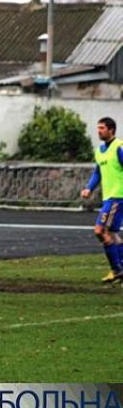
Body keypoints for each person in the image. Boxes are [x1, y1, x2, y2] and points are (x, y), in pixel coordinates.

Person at [81, 117, 123, 283]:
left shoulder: (119, 147)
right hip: (109, 198)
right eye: (98, 128)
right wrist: (89, 188)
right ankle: (120, 269)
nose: (99, 131)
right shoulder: (99, 151)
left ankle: (117, 270)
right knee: (112, 234)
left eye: (102, 128)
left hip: (117, 196)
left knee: (100, 230)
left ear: (111, 130)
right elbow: (98, 172)